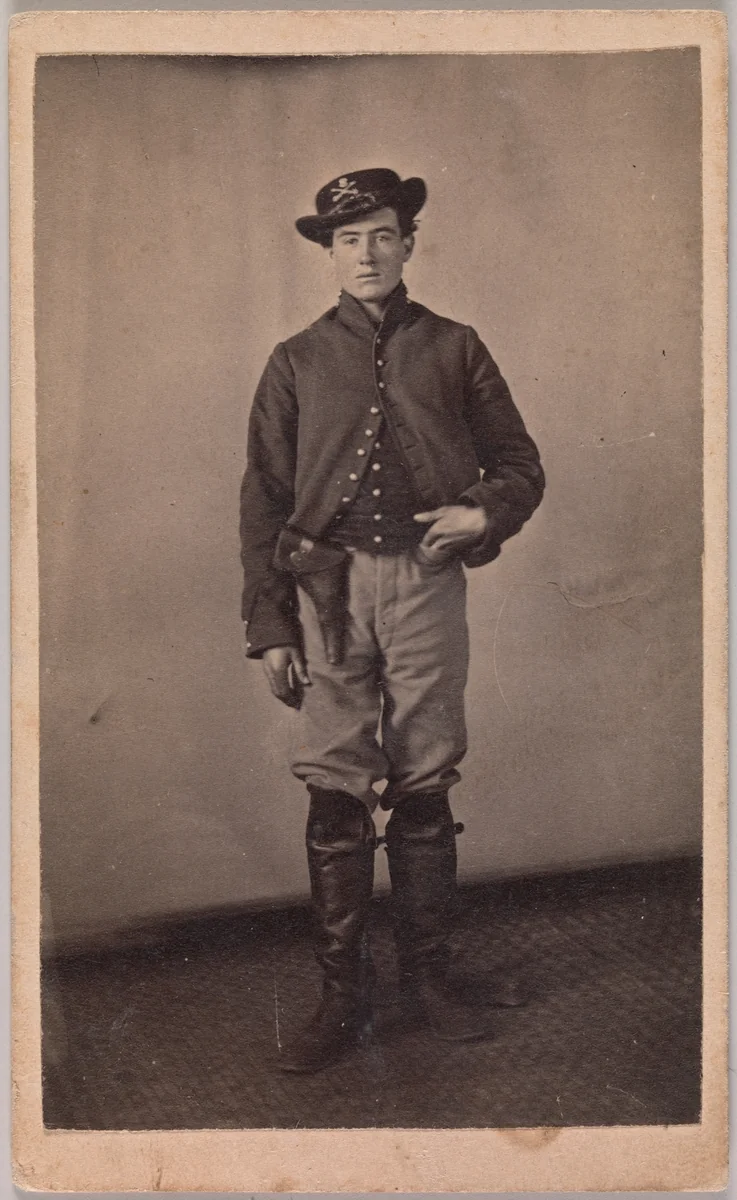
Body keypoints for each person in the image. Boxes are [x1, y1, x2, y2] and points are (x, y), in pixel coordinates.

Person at [239, 168, 544, 1073]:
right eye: (346, 240)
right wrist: (271, 624)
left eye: (380, 234)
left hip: (422, 584)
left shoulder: (454, 347)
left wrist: (482, 512)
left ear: (409, 240)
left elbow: (519, 462)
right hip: (322, 594)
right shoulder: (294, 360)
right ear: (327, 254)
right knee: (334, 785)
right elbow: (261, 497)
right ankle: (342, 995)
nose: (365, 253)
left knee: (424, 776)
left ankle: (428, 979)